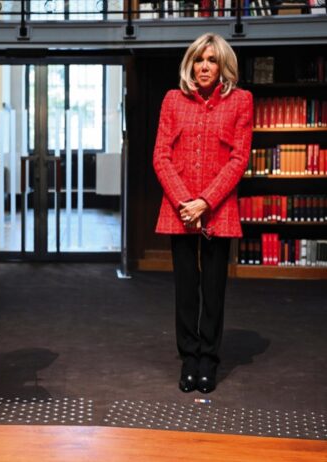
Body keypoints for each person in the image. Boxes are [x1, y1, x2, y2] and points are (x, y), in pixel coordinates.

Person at [153, 33, 253, 394]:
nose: (204, 66)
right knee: (185, 290)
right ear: (190, 64)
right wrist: (185, 202)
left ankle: (209, 360)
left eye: (211, 60)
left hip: (218, 208)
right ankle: (189, 359)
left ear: (223, 65)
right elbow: (161, 156)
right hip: (180, 210)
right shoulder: (172, 100)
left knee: (213, 290)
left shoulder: (242, 101)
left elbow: (238, 159)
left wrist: (205, 202)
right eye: (198, 59)